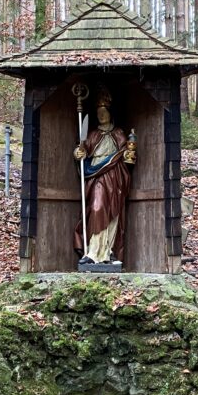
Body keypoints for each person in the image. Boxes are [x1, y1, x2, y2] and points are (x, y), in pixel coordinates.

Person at [73, 89, 136, 265]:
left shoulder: (119, 134)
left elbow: (126, 155)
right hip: (97, 177)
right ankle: (93, 252)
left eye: (104, 113)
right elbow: (82, 151)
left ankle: (109, 252)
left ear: (110, 113)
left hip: (115, 177)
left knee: (113, 213)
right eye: (98, 113)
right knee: (97, 208)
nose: (101, 116)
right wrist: (78, 153)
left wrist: (127, 156)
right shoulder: (92, 134)